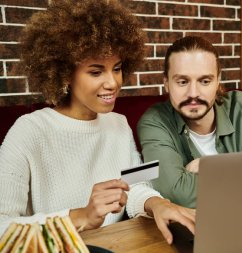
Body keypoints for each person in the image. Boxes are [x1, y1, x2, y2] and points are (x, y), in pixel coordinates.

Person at [0, 0, 194, 244]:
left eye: (117, 68)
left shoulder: (119, 124)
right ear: (64, 73)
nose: (113, 82)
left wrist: (156, 203)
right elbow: (2, 228)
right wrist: (80, 217)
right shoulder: (28, 131)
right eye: (96, 71)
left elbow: (134, 186)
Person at [138, 36, 242, 208]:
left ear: (217, 81)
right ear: (167, 83)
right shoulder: (154, 121)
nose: (193, 93)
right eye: (183, 82)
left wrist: (215, 167)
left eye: (205, 81)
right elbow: (177, 193)